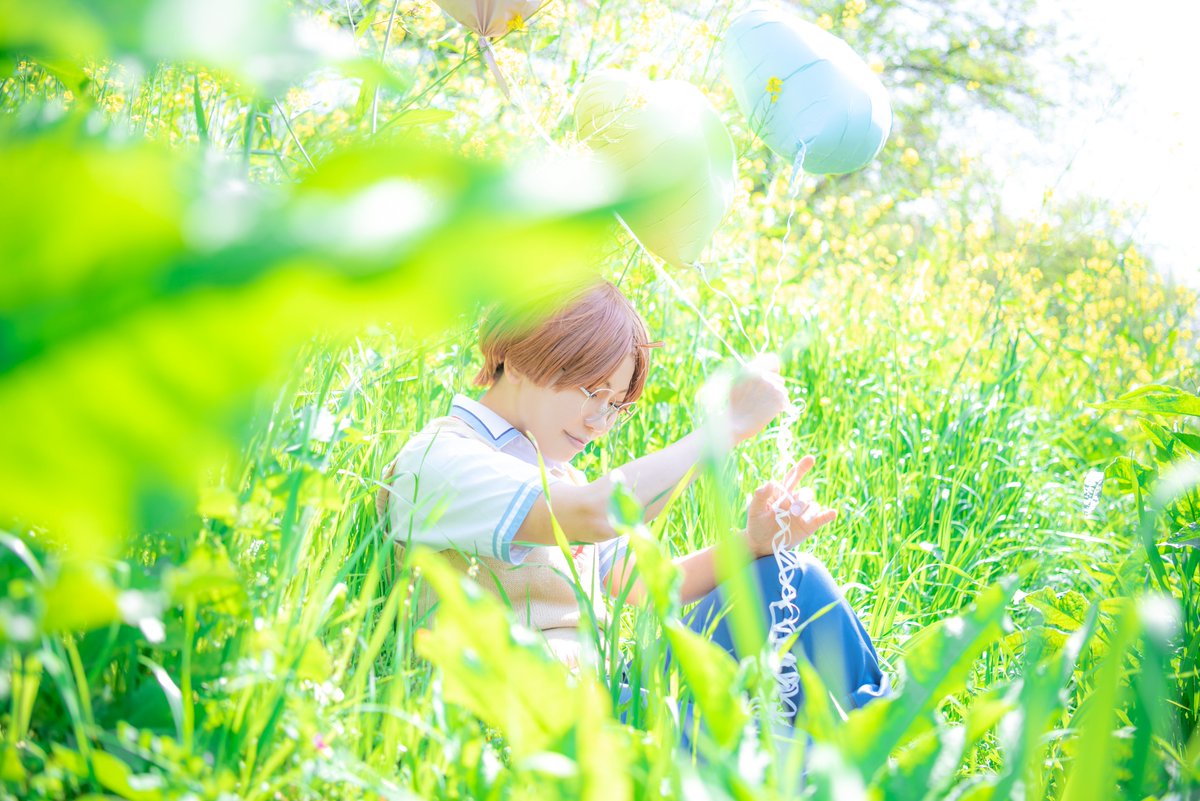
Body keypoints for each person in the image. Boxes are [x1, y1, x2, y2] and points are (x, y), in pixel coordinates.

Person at [376, 276, 889, 727]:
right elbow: (598, 513)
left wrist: (754, 543)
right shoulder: (441, 458)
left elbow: (654, 585)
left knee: (795, 576)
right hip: (531, 708)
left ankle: (887, 745)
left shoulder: (561, 477)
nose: (599, 422)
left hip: (611, 689)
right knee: (762, 748)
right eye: (591, 391)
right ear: (521, 355)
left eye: (615, 405)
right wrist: (726, 427)